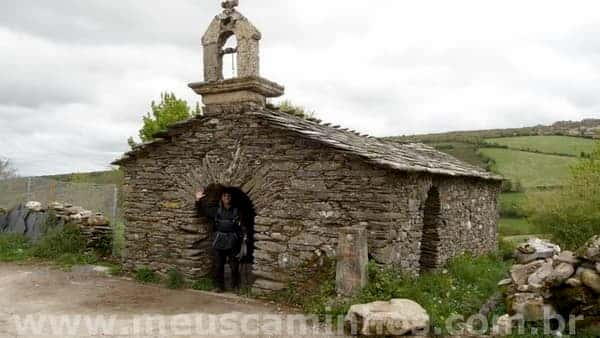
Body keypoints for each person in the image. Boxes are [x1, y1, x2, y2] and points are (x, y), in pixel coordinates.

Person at [196, 188, 246, 293]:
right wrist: (198, 200)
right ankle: (218, 286)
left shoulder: (237, 211)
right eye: (224, 196)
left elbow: (242, 226)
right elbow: (203, 211)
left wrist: (243, 238)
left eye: (229, 196)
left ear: (231, 198)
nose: (227, 198)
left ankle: (235, 286)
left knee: (234, 265)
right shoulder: (216, 210)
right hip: (219, 239)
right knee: (218, 264)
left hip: (232, 240)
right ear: (221, 198)